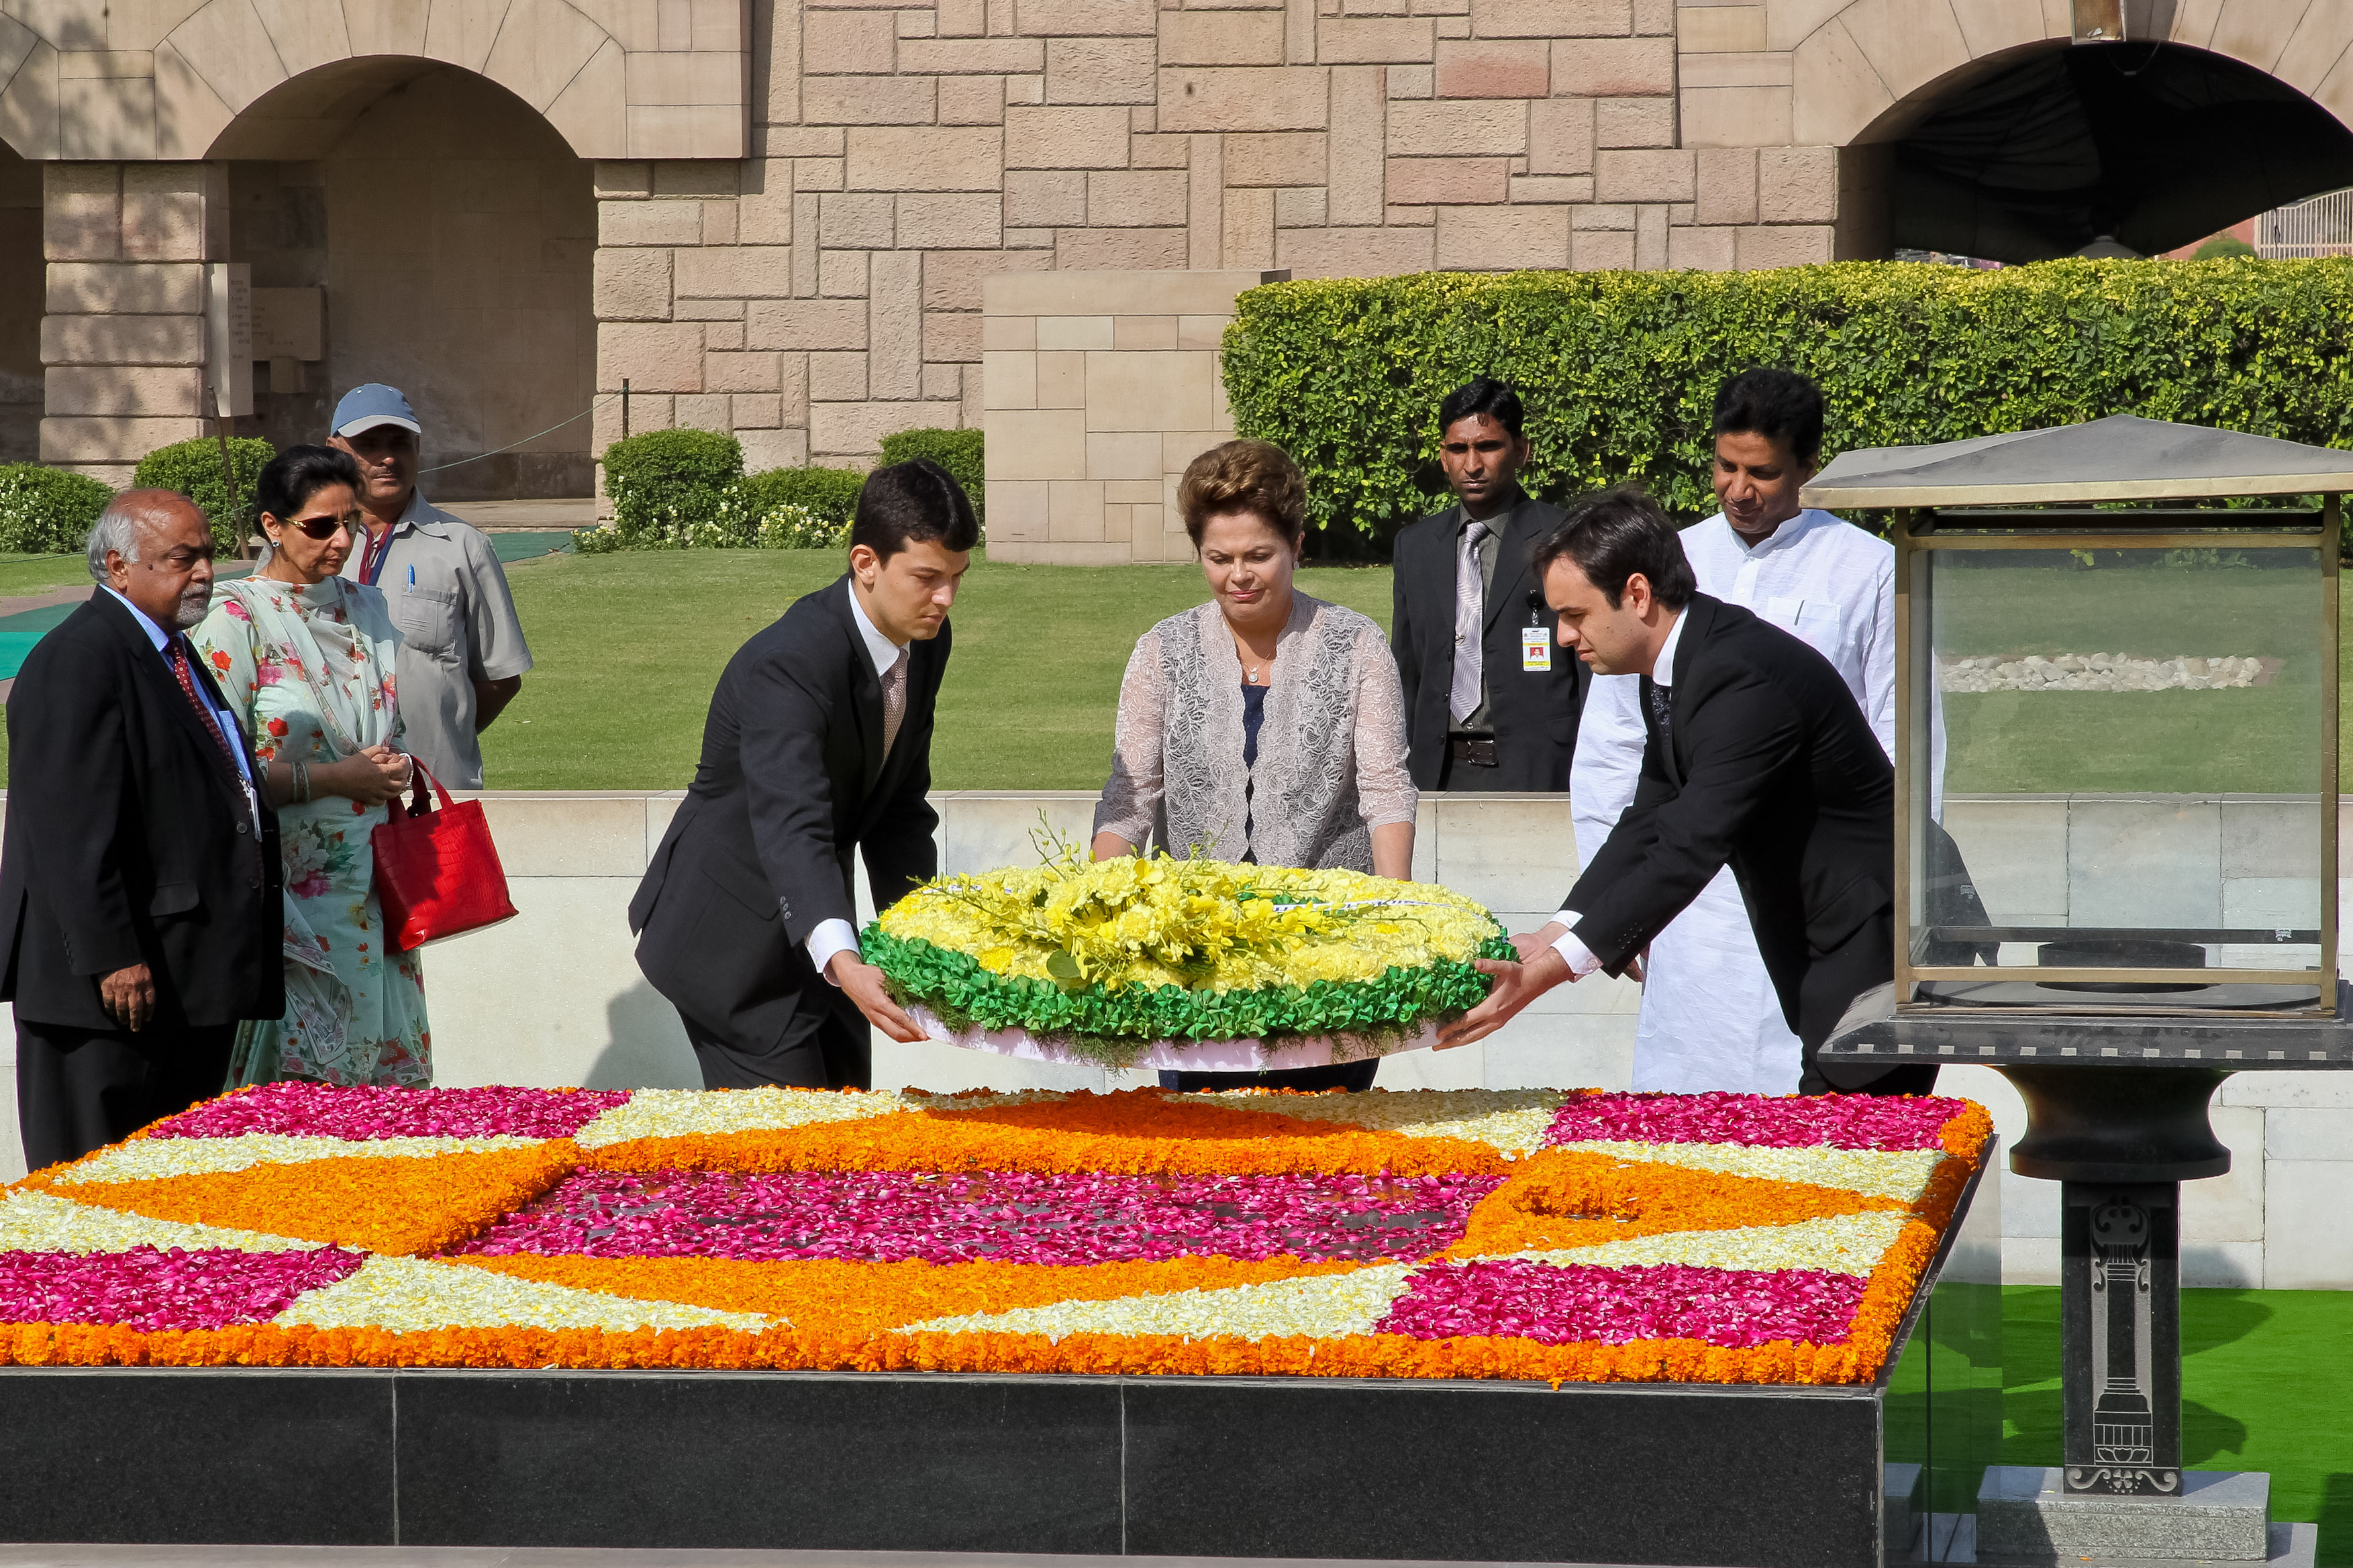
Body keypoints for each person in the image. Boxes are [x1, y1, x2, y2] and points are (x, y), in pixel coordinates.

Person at [1440, 485, 1930, 1096]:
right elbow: (1651, 813)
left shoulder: (1740, 678)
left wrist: (1549, 971)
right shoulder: (1678, 662)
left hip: (1871, 952)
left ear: (1637, 594)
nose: (1563, 637)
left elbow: (1688, 844)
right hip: (1826, 948)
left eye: (1576, 615)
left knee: (1859, 1167)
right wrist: (1554, 931)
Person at [1571, 368, 1896, 1094]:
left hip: (1819, 897)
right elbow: (1618, 743)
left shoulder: (1869, 569)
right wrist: (1616, 911)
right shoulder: (1663, 563)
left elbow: (1900, 739)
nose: (1738, 490)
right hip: (1690, 909)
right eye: (1725, 467)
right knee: (1691, 1121)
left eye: (1762, 473)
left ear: (1808, 468)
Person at [630, 458, 975, 1091]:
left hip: (820, 925)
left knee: (847, 1133)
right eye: (928, 577)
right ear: (865, 562)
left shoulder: (926, 638)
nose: (946, 598)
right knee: (787, 1164)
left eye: (957, 577)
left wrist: (926, 941)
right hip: (730, 947)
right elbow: (793, 820)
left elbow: (900, 804)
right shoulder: (789, 662)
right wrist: (844, 958)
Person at [1093, 438, 1416, 1092]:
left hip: (1328, 960)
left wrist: (1399, 920)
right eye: (1219, 558)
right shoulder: (1160, 650)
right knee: (1197, 1167)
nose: (1238, 574)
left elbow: (1386, 791)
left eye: (1258, 555)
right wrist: (1098, 919)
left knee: (1319, 1170)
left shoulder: (1357, 645)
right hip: (1195, 965)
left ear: (1297, 546)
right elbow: (1127, 803)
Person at [0, 491, 282, 1168]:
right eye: (184, 558)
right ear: (118, 567)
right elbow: (68, 827)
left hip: (183, 980)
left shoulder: (171, 655)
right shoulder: (82, 658)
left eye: (209, 554)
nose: (206, 571)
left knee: (166, 1198)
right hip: (104, 996)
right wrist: (110, 956)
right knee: (89, 1199)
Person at [193, 446, 428, 1089]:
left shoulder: (368, 606)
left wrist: (395, 765)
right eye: (321, 526)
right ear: (273, 525)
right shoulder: (235, 617)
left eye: (350, 522)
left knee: (383, 1083)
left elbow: (390, 722)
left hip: (376, 883)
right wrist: (332, 779)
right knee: (297, 1089)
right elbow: (212, 769)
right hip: (287, 889)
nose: (341, 540)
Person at [328, 383, 532, 790]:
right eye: (369, 444)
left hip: (432, 794)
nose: (388, 458)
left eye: (401, 443)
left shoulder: (462, 545)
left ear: (418, 448)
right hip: (329, 796)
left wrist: (442, 735)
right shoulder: (304, 542)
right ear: (334, 449)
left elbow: (500, 677)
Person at [1391, 378, 1586, 791]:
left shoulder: (1567, 535)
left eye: (1488, 447)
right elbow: (1408, 671)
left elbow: (1591, 672)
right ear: (1443, 457)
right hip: (1438, 772)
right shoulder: (1416, 546)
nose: (1472, 464)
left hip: (1542, 770)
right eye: (1458, 449)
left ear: (1521, 451)